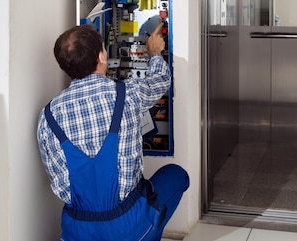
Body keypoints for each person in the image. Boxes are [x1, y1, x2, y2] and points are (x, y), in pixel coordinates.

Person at [37, 23, 189, 241]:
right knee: (177, 175)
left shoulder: (48, 117)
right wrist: (154, 53)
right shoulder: (127, 94)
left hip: (78, 231)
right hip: (127, 225)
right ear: (101, 57)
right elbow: (161, 80)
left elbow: (56, 174)